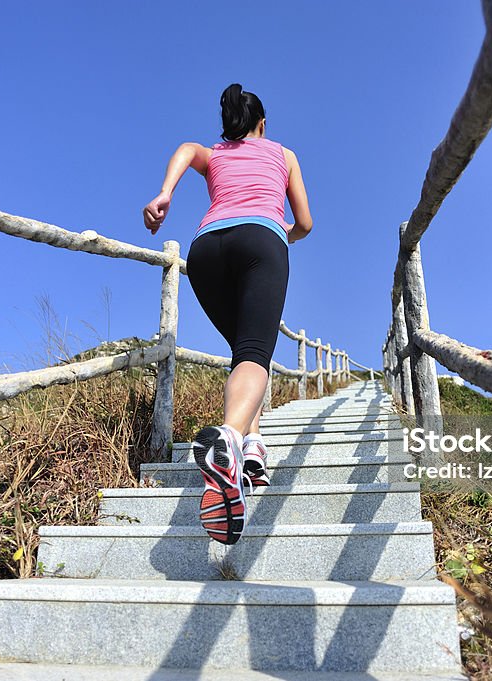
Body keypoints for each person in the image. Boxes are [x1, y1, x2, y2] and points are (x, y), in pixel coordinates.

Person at [142, 83, 313, 545]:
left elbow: (186, 148)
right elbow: (305, 222)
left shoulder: (214, 153)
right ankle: (231, 440)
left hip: (206, 249)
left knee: (243, 350)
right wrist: (285, 234)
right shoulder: (284, 154)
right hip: (261, 240)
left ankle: (253, 448)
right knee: (256, 352)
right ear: (262, 123)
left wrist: (164, 194)